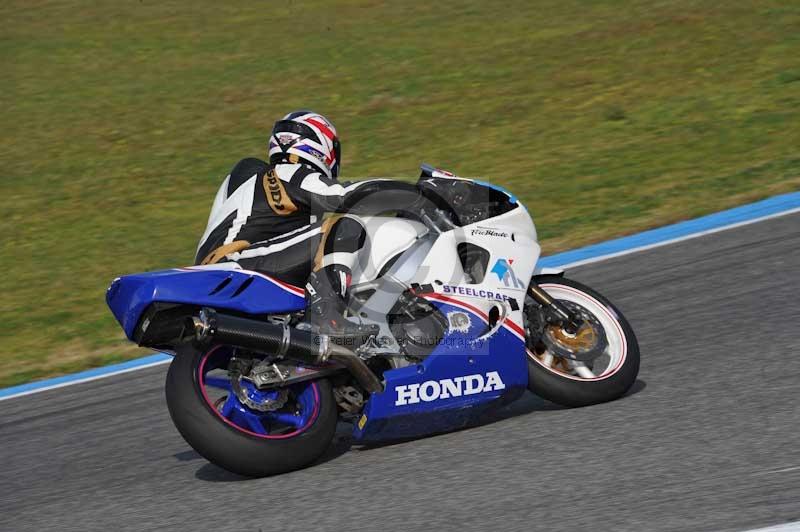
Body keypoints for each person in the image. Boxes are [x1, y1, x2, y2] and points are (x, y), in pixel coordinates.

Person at [195, 111, 419, 337]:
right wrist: (418, 192)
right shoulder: (284, 173)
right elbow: (347, 196)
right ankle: (327, 316)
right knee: (345, 224)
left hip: (215, 274)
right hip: (233, 266)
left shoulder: (248, 182)